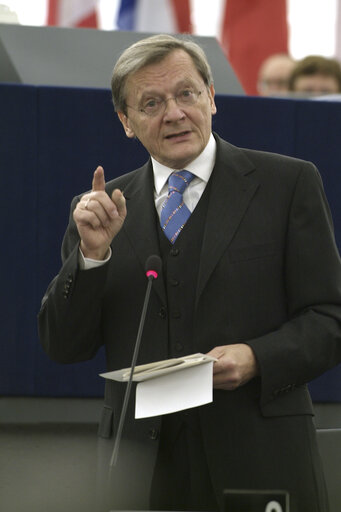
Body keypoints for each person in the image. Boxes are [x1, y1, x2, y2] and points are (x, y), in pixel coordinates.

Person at [38, 34, 341, 512]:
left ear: (212, 98)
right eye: (152, 103)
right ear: (126, 122)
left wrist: (257, 357)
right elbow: (63, 345)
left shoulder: (287, 185)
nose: (175, 113)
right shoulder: (100, 211)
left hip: (260, 460)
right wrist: (92, 258)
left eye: (187, 94)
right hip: (138, 472)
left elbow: (330, 318)